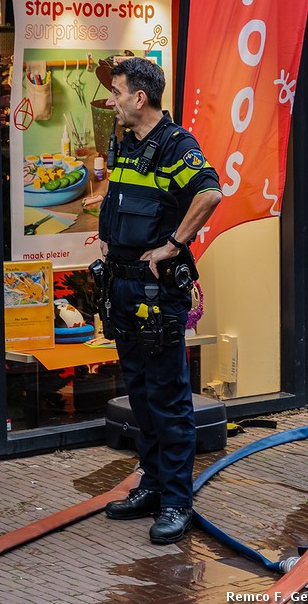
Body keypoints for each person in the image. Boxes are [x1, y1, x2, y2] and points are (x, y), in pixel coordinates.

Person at [99, 57, 222, 545]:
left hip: (156, 294)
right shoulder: (125, 140)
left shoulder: (176, 145)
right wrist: (109, 235)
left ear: (140, 98)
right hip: (123, 287)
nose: (111, 100)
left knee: (168, 400)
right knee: (141, 397)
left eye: (117, 92)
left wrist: (174, 242)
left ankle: (176, 501)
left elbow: (210, 194)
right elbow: (121, 194)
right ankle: (150, 486)